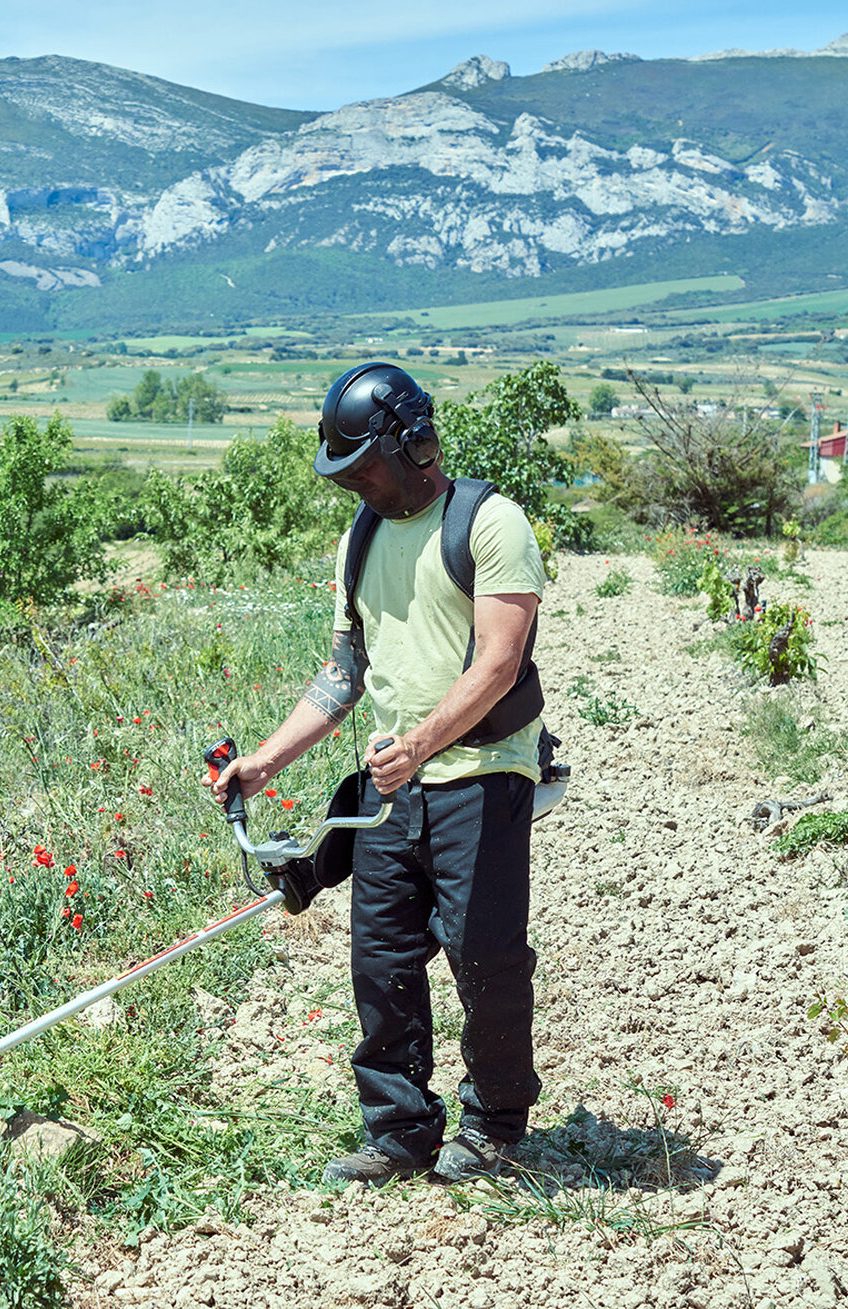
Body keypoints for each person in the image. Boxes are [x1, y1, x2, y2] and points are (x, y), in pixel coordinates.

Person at [204, 361, 548, 1186]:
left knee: (482, 955)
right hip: (398, 785)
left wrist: (422, 743)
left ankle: (497, 1123)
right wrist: (263, 761)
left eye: (363, 465)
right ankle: (399, 1132)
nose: (354, 484)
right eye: (345, 472)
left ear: (413, 444)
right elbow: (343, 672)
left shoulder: (492, 524)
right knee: (381, 956)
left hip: (483, 772)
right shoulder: (359, 536)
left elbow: (500, 665)